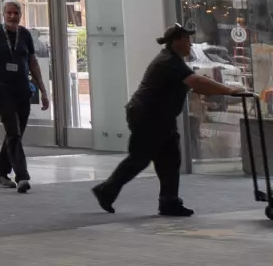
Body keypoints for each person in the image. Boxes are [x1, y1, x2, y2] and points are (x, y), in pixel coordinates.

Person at [93, 24, 248, 217]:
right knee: (141, 158)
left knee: (169, 158)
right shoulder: (168, 61)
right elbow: (196, 82)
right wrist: (229, 90)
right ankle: (108, 191)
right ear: (177, 41)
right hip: (148, 116)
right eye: (187, 40)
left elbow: (193, 85)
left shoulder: (173, 60)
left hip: (159, 117)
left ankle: (168, 201)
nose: (190, 44)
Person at [0, 0, 47, 192]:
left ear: (20, 15)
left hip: (22, 89)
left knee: (15, 133)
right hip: (2, 89)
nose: (12, 16)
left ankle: (0, 171)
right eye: (9, 13)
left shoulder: (25, 35)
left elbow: (33, 63)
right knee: (13, 131)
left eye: (16, 13)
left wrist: (43, 90)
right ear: (3, 14)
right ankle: (22, 176)